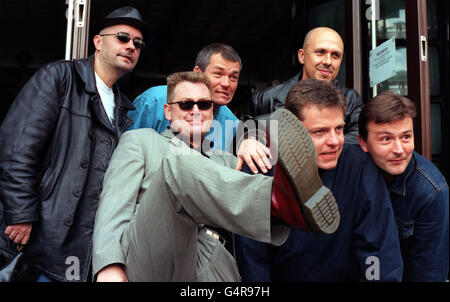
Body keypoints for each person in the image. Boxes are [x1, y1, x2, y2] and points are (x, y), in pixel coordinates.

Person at [92, 71, 340, 282]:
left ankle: (284, 206)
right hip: (149, 258)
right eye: (186, 104)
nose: (196, 110)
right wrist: (107, 265)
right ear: (168, 111)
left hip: (213, 260)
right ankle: (275, 206)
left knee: (258, 171)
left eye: (205, 104)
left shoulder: (225, 159)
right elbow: (113, 205)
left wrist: (251, 136)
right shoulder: (141, 141)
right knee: (178, 165)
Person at [0, 7, 150, 282]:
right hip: (40, 241)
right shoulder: (59, 78)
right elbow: (17, 150)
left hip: (85, 248)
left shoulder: (123, 110)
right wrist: (20, 213)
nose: (131, 46)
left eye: (137, 44)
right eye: (122, 37)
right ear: (97, 41)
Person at [234, 79, 403, 281]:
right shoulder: (260, 168)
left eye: (339, 129)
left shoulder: (360, 167)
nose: (334, 141)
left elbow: (378, 253)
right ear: (290, 132)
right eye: (320, 131)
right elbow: (253, 262)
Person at [358, 92, 449, 282]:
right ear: (363, 143)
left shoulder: (431, 192)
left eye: (406, 137)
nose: (399, 150)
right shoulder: (352, 171)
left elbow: (428, 273)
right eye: (386, 139)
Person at [243, 27, 362, 144]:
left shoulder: (351, 100)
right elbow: (240, 141)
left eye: (335, 55)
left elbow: (358, 140)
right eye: (320, 52)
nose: (328, 61)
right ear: (302, 56)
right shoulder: (264, 100)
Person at [128, 43, 240, 152]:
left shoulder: (232, 122)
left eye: (233, 77)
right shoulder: (155, 100)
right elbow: (127, 150)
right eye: (218, 74)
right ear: (198, 73)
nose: (226, 83)